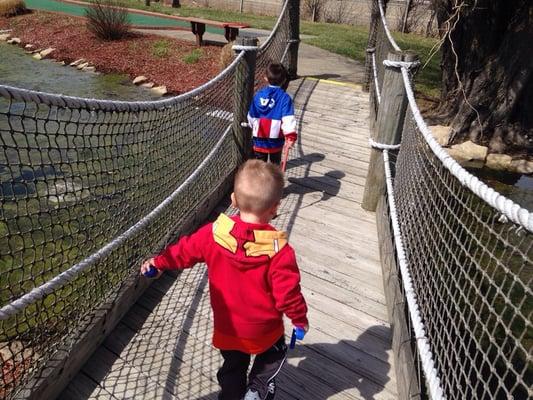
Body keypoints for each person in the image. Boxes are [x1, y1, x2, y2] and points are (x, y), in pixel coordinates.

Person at [140, 160, 308, 400]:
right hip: (265, 330)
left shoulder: (212, 234)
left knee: (233, 367)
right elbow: (288, 294)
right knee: (273, 355)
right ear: (274, 208)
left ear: (233, 200)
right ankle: (257, 391)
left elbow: (183, 252)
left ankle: (231, 395)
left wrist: (158, 263)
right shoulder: (279, 251)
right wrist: (299, 320)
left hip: (228, 329)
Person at [247, 63, 297, 165]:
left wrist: (252, 125)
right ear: (284, 80)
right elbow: (288, 119)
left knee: (259, 167)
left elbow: (251, 116)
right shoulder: (285, 98)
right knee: (274, 165)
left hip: (259, 139)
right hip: (276, 141)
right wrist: (290, 136)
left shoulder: (258, 95)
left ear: (265, 78)